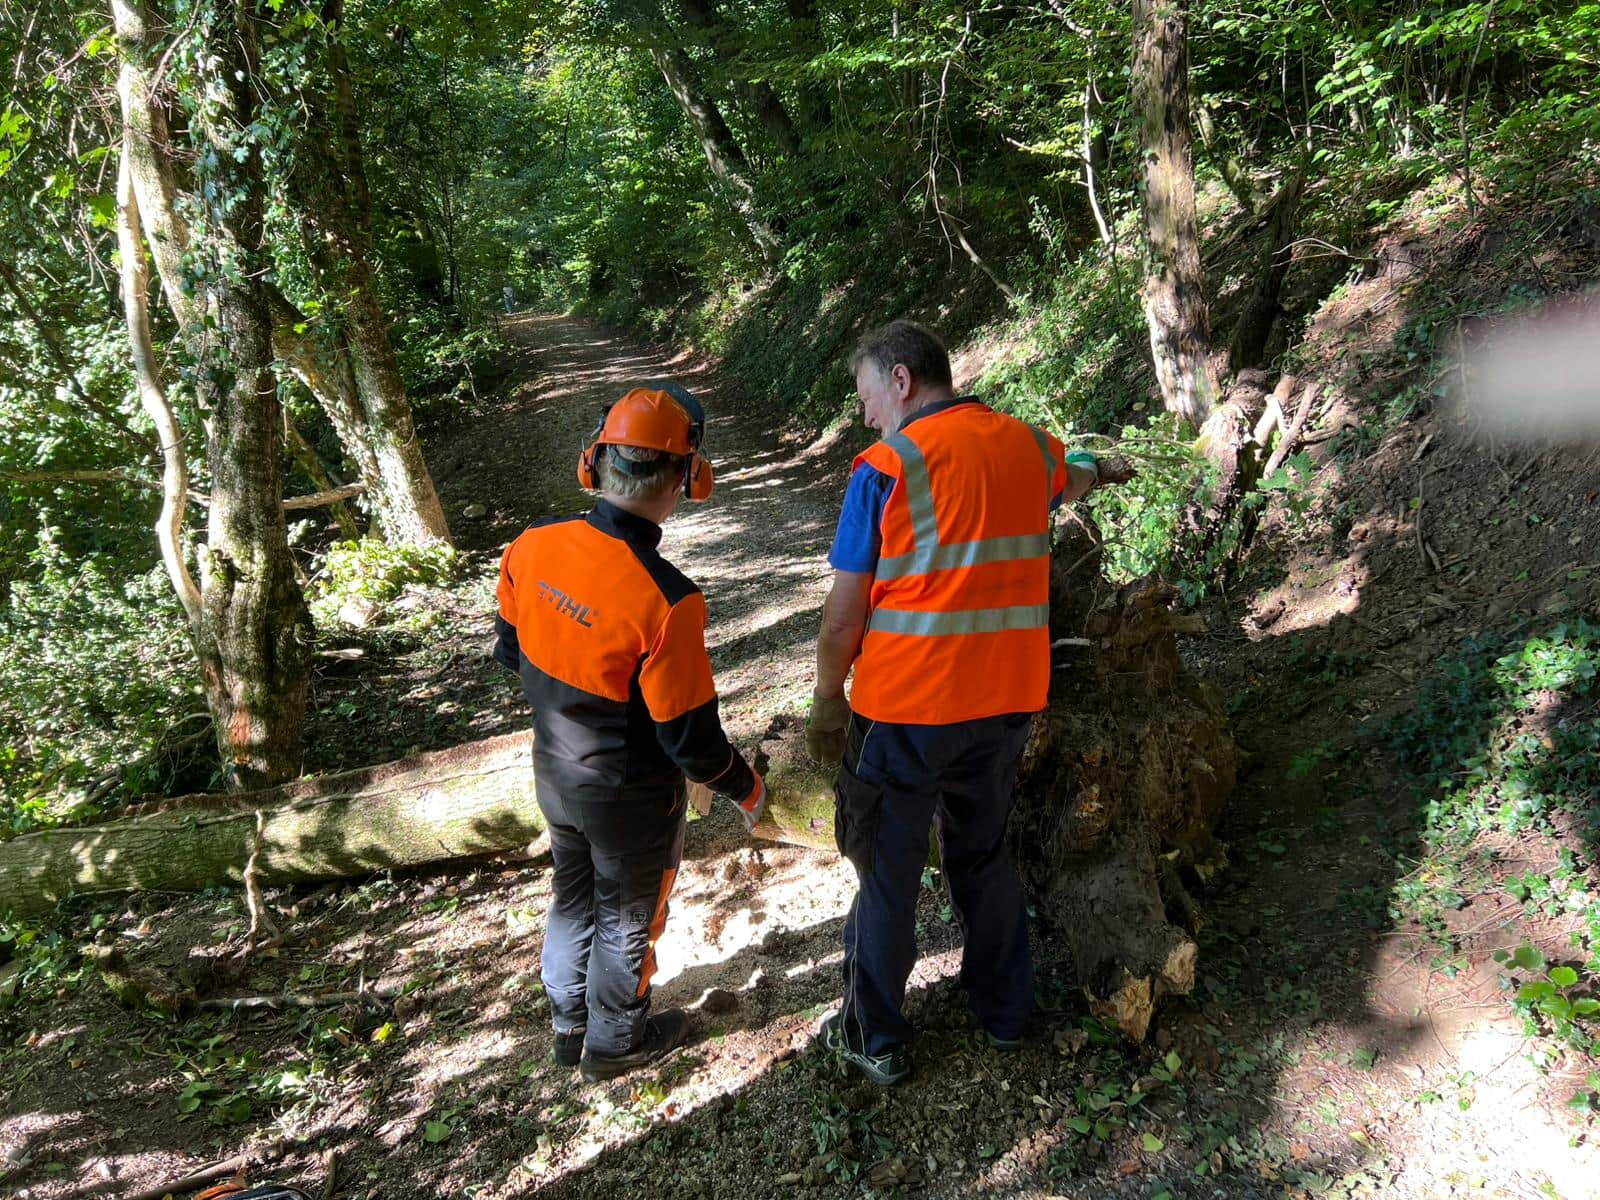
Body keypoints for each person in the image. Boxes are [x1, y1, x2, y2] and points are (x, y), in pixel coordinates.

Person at [805, 320, 1130, 1085]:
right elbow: (1074, 476)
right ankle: (1006, 1013)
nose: (865, 417)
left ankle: (874, 1036)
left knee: (888, 873)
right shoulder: (1026, 444)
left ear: (902, 380)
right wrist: (1106, 466)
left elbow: (844, 617)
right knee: (982, 856)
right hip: (1006, 704)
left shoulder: (886, 467)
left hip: (906, 709)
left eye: (866, 397)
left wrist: (826, 699)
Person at [494, 385, 766, 1082]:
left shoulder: (532, 545)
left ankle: (569, 1024)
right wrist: (746, 786)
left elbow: (508, 649)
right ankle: (616, 1043)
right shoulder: (668, 599)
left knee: (572, 891)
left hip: (554, 771)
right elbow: (689, 741)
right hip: (631, 795)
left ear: (598, 461)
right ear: (685, 478)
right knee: (627, 916)